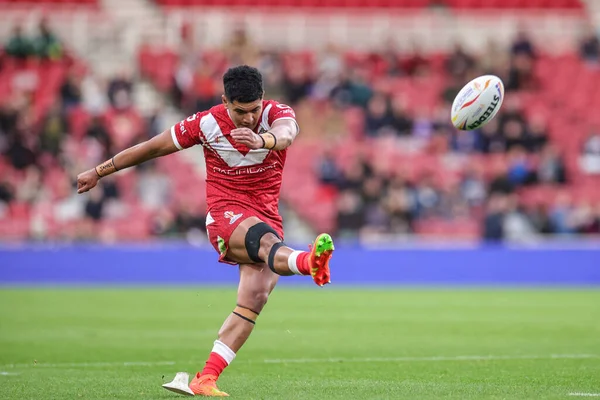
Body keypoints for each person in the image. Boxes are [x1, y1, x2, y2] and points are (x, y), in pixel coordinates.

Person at [76, 65, 335, 397]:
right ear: (225, 100)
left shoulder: (276, 114)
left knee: (255, 298)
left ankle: (206, 378)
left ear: (263, 100)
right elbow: (153, 148)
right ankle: (307, 261)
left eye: (254, 109)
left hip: (266, 215)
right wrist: (100, 170)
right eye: (240, 111)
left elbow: (286, 135)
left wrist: (262, 139)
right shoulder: (204, 123)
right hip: (225, 216)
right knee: (267, 243)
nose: (248, 117)